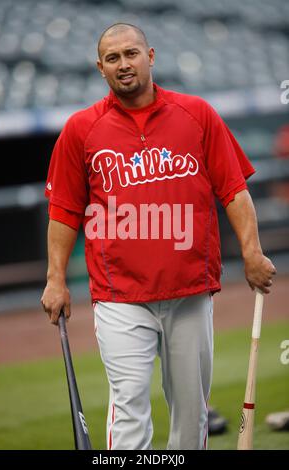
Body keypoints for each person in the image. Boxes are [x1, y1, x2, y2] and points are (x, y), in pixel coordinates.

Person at [41, 23, 276, 450]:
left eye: (131, 54)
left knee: (191, 411)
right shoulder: (81, 129)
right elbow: (64, 211)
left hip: (190, 289)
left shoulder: (197, 114)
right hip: (119, 295)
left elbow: (234, 191)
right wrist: (56, 279)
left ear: (151, 56)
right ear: (100, 68)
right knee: (129, 406)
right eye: (112, 59)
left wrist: (253, 252)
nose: (123, 65)